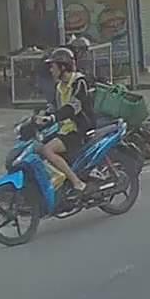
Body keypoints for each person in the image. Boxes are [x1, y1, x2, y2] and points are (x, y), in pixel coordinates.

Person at [40, 47, 94, 196]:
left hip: (79, 129)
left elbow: (73, 107)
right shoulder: (59, 86)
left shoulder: (79, 82)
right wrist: (40, 116)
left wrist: (53, 117)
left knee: (47, 150)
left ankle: (78, 183)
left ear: (62, 67)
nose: (51, 70)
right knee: (38, 146)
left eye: (53, 66)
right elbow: (54, 106)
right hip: (64, 129)